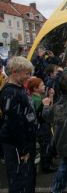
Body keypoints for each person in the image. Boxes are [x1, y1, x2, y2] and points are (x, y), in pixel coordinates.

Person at [0, 56, 37, 193]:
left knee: (27, 179)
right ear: (15, 71)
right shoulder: (10, 92)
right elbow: (12, 123)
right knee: (20, 181)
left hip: (24, 143)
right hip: (17, 146)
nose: (28, 77)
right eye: (26, 73)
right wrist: (23, 149)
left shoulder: (19, 88)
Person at [27, 77, 57, 173]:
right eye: (42, 85)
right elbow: (43, 114)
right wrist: (46, 105)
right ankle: (46, 166)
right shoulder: (35, 99)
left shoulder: (38, 97)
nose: (44, 87)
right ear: (35, 88)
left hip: (43, 125)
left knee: (47, 144)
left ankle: (48, 163)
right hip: (42, 126)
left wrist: (51, 97)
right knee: (45, 145)